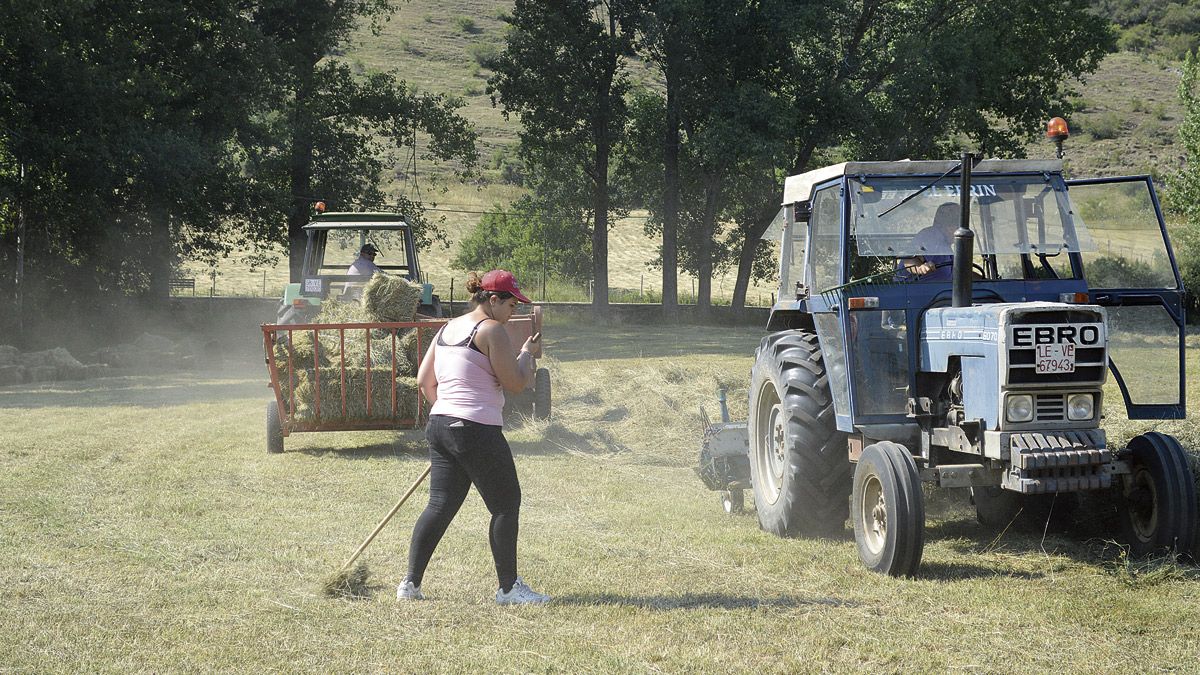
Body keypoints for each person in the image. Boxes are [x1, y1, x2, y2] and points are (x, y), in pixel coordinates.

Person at [398, 269, 547, 605]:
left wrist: (451, 419)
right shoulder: (492, 330)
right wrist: (526, 354)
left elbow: (425, 381)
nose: (512, 313)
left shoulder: (447, 328)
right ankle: (509, 589)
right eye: (511, 305)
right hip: (476, 428)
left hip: (440, 424)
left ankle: (410, 584)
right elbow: (516, 383)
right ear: (493, 300)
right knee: (506, 505)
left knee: (439, 505)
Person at [897, 202, 960, 282]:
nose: (959, 231)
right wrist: (920, 268)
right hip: (914, 292)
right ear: (944, 225)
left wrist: (980, 280)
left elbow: (959, 274)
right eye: (956, 225)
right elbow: (908, 259)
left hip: (942, 292)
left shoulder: (946, 246)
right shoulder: (931, 236)